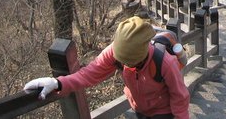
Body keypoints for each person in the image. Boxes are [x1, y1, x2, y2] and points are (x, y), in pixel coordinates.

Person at [24, 16, 190, 119]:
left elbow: (180, 96)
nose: (125, 65)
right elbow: (89, 74)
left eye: (130, 63)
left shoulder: (165, 63)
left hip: (163, 111)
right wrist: (58, 83)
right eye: (122, 61)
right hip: (140, 108)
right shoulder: (117, 50)